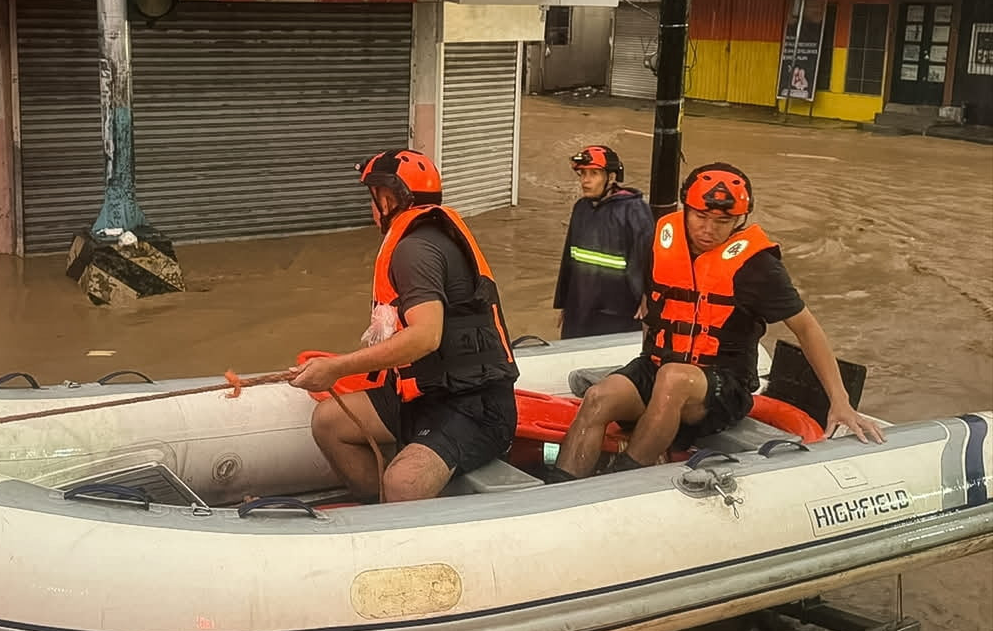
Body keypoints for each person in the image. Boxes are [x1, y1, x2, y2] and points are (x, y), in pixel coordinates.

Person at [551, 162, 883, 480]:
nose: (708, 230)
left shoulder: (758, 268)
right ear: (686, 209)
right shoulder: (662, 242)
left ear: (741, 219)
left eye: (723, 222)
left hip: (723, 388)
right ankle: (560, 490)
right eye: (700, 217)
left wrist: (839, 401)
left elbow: (807, 327)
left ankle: (622, 482)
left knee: (673, 378)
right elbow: (655, 314)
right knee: (599, 397)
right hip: (659, 366)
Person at [288, 149, 519, 502]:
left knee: (403, 482)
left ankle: (397, 519)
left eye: (373, 197)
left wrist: (335, 368)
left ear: (387, 197)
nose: (371, 208)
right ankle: (380, 512)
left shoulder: (416, 250)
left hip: (474, 407)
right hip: (425, 394)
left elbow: (426, 336)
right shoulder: (420, 239)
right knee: (329, 422)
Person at [554, 145, 655, 339]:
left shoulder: (634, 210)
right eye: (582, 174)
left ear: (611, 177)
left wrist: (647, 299)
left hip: (618, 312)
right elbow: (569, 258)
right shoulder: (581, 208)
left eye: (594, 174)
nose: (586, 180)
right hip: (580, 310)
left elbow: (649, 259)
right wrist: (565, 303)